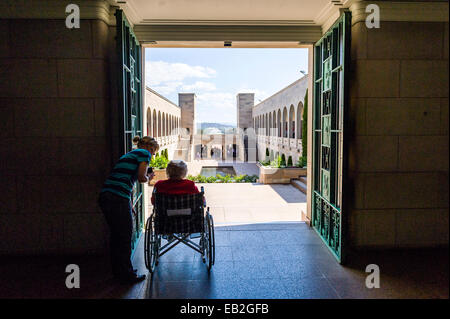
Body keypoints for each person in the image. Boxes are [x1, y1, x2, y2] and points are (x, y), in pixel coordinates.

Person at [98, 136, 159, 284]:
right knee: (125, 237)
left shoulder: (127, 155)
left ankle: (119, 272)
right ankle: (127, 275)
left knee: (116, 237)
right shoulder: (144, 154)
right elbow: (141, 177)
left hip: (107, 196)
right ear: (147, 147)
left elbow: (125, 179)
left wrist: (129, 204)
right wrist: (149, 176)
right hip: (117, 198)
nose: (152, 154)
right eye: (153, 150)